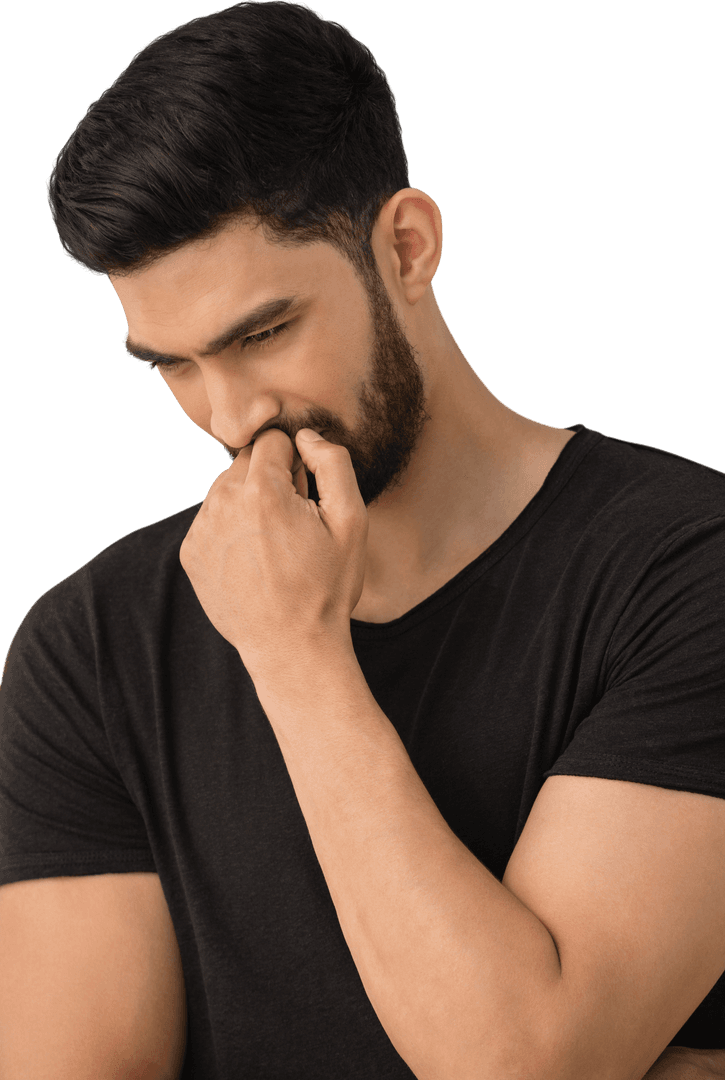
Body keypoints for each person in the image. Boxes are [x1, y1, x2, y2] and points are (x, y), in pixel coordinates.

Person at [1, 2, 723, 1077]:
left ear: (405, 246)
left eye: (261, 333)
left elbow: (524, 1065)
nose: (229, 413)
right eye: (174, 365)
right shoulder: (93, 645)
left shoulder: (683, 571)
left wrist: (295, 660)